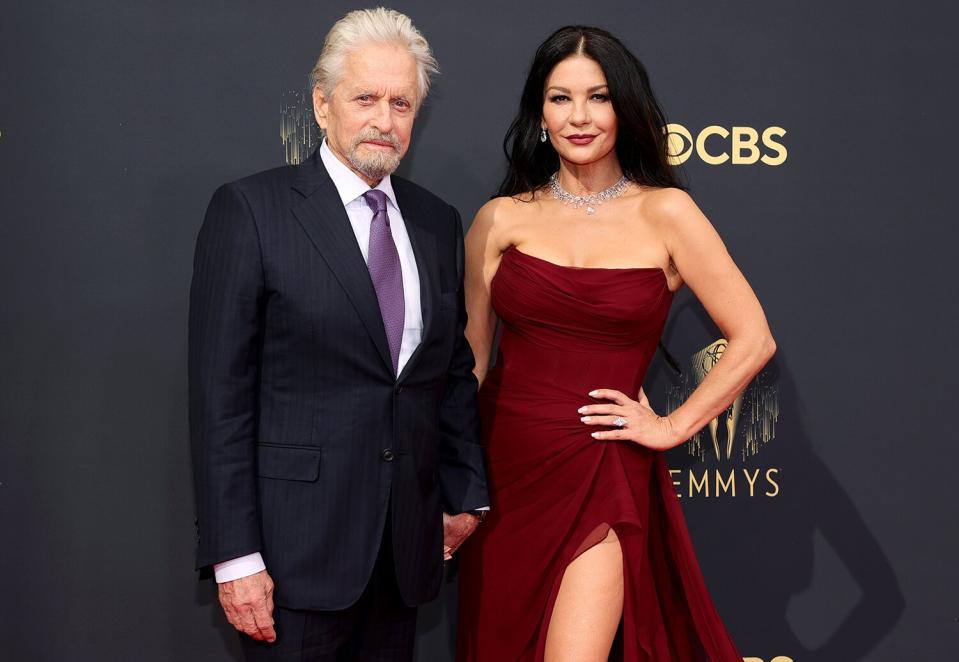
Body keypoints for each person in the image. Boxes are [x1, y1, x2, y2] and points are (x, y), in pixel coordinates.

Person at [455, 26, 775, 661]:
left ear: (624, 109)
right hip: (503, 473)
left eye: (597, 97)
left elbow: (753, 337)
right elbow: (469, 364)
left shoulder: (668, 213)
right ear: (538, 112)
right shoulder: (500, 220)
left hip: (602, 468)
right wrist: (448, 479)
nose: (578, 117)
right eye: (559, 98)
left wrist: (673, 424)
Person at [188, 8, 489, 661]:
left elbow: (451, 370)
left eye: (402, 103)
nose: (384, 120)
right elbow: (221, 398)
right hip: (294, 559)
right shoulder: (251, 212)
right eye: (366, 99)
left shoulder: (437, 224)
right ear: (322, 105)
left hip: (403, 553)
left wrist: (465, 493)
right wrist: (234, 555)